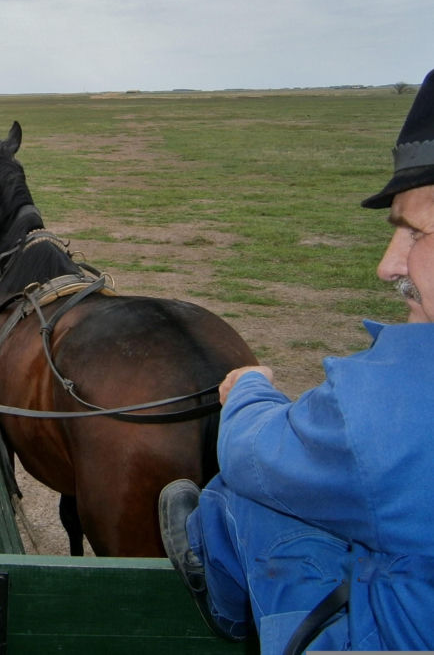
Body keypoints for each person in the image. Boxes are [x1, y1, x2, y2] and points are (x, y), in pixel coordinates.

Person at [159, 69, 434, 653]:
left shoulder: (397, 405)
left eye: (415, 233)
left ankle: (229, 606)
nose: (389, 266)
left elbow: (252, 453)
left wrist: (251, 391)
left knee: (238, 495)